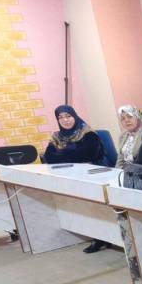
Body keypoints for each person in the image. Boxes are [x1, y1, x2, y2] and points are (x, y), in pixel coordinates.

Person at [43, 105, 108, 253]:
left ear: (75, 116)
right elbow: (49, 157)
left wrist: (62, 152)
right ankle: (94, 235)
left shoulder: (88, 133)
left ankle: (100, 238)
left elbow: (89, 154)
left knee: (93, 207)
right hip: (70, 175)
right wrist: (72, 152)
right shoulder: (57, 136)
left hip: (93, 175)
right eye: (60, 117)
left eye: (68, 116)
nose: (65, 120)